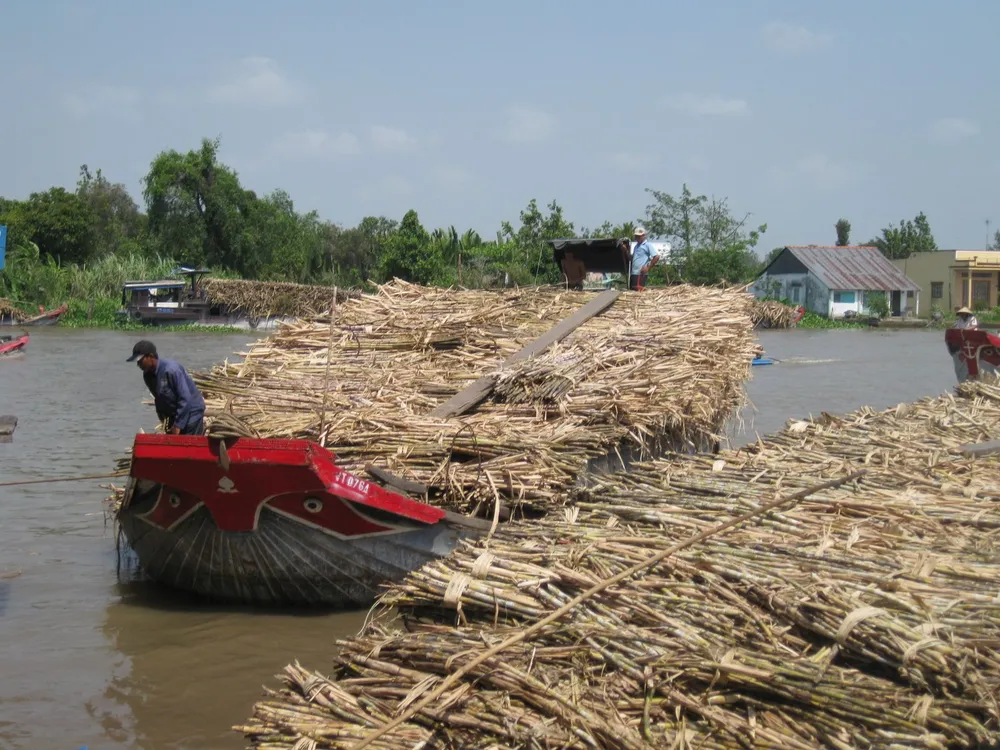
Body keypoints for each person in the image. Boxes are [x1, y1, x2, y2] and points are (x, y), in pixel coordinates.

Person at [127, 340, 206, 435]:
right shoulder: (147, 375)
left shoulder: (171, 370)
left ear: (151, 356)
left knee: (187, 445)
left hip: (192, 412)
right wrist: (165, 422)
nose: (138, 364)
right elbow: (159, 399)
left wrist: (178, 425)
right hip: (174, 414)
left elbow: (185, 399)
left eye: (140, 360)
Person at [629, 227, 659, 291]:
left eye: (639, 236)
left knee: (639, 291)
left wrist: (648, 268)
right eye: (637, 236)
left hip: (641, 273)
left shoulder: (647, 245)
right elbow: (633, 259)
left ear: (644, 236)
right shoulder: (636, 246)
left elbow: (656, 257)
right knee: (633, 291)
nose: (638, 238)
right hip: (634, 273)